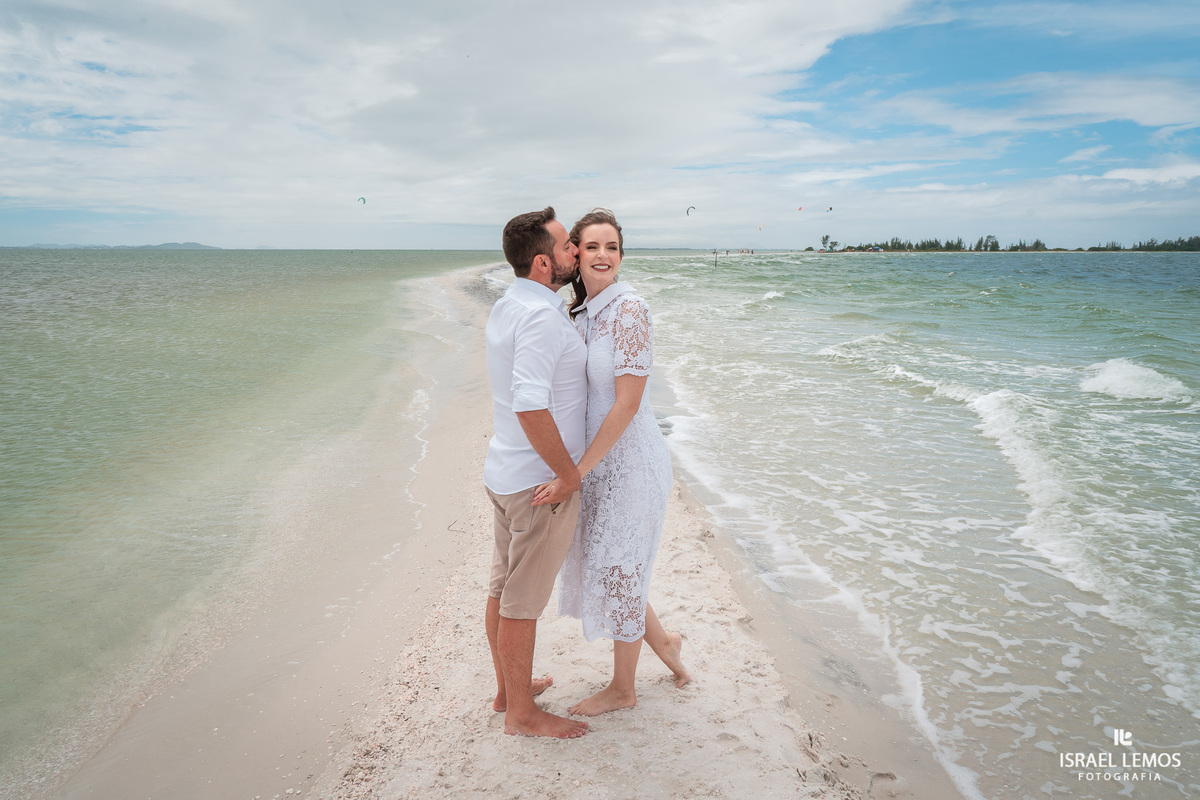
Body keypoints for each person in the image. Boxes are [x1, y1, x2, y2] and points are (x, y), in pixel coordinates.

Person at [534, 208, 691, 716]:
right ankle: (666, 645)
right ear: (575, 255)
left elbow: (626, 404)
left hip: (631, 462)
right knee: (612, 565)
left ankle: (624, 689)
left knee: (622, 565)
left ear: (621, 255)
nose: (604, 256)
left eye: (613, 247)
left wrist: (575, 472)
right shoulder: (579, 314)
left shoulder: (631, 311)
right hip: (594, 463)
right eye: (594, 247)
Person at [483, 206, 589, 738]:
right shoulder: (542, 316)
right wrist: (567, 474)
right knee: (522, 603)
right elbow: (530, 403)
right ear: (544, 263)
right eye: (569, 244)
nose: (576, 250)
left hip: (504, 473)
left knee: (502, 591)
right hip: (536, 484)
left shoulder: (508, 305)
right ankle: (523, 716)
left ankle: (508, 693)